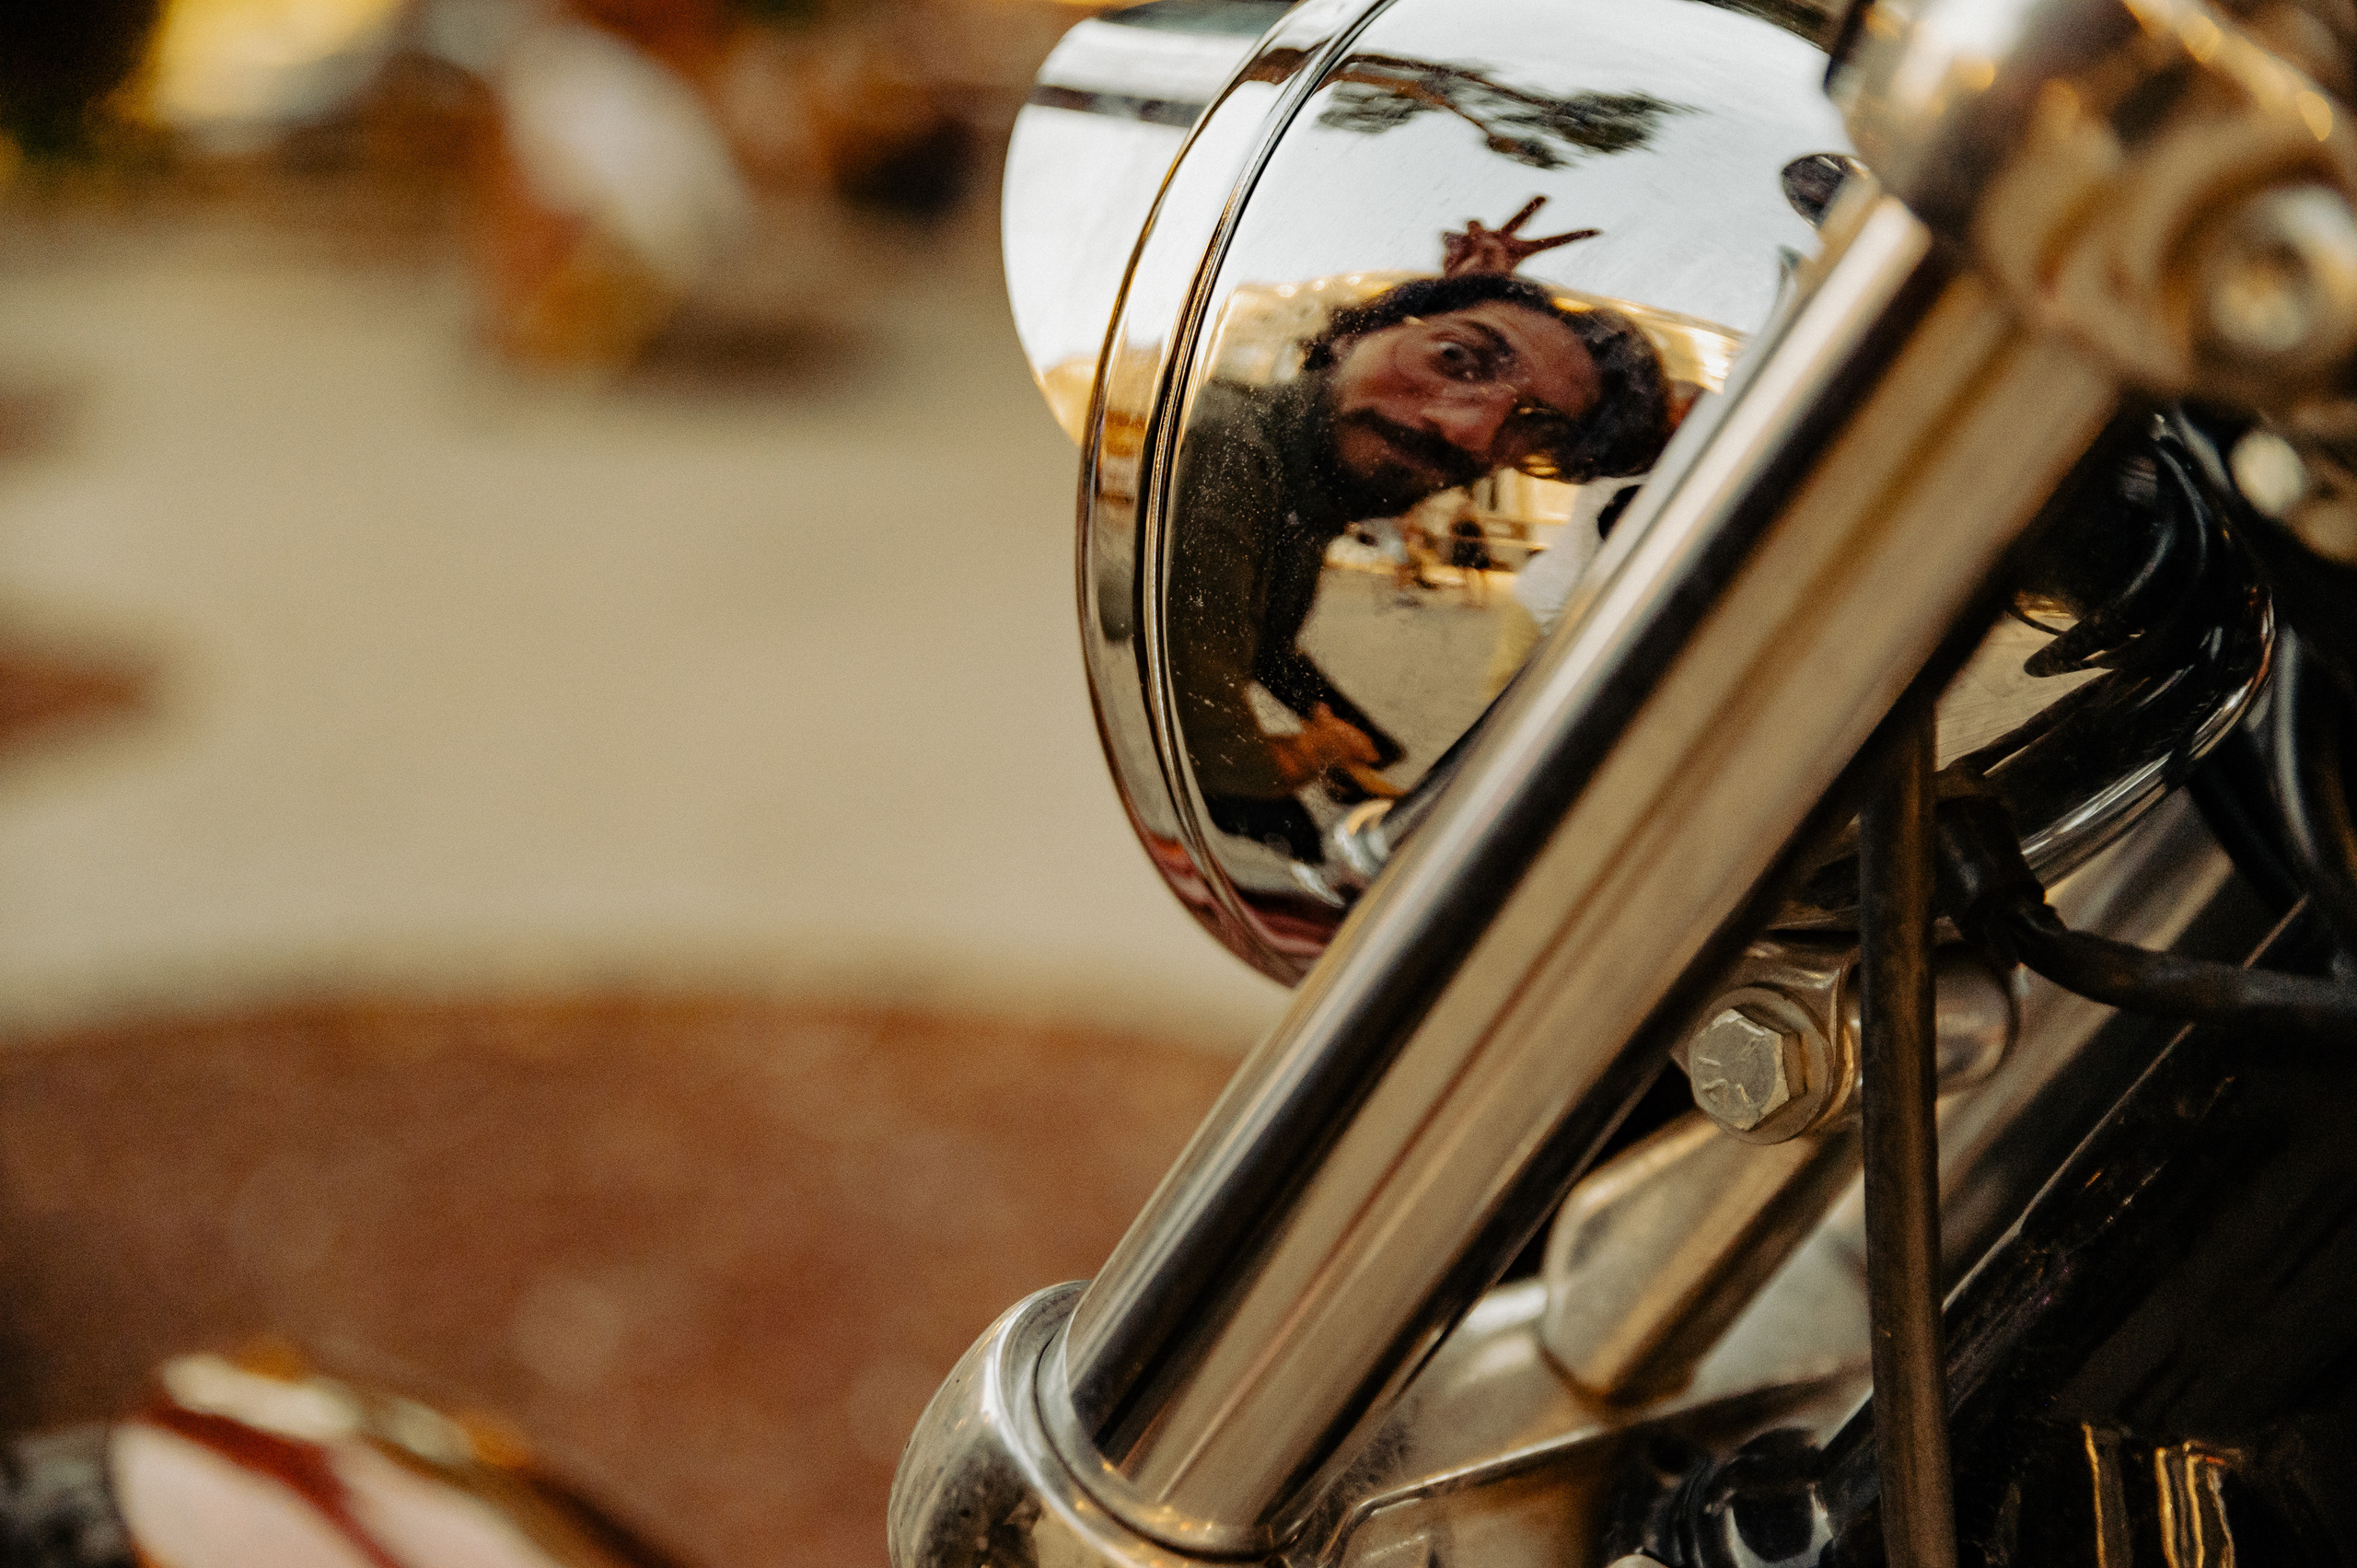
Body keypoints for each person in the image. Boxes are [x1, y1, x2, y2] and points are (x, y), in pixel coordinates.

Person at [1167, 268, 1672, 861]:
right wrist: (1317, 749)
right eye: (1457, 356)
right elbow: (1219, 756)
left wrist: (1371, 741)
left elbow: (1263, 643)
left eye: (1533, 423)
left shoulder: (1307, 491)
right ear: (1353, 335)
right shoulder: (1229, 447)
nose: (1473, 432)